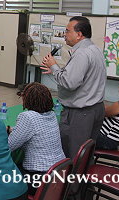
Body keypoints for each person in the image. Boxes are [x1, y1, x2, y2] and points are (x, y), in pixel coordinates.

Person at [41, 16, 106, 158]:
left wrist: (53, 65)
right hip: (95, 109)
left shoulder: (81, 54)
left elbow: (70, 83)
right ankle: (83, 177)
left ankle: (72, 180)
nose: (64, 34)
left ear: (79, 34)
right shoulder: (94, 49)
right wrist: (56, 70)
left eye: (67, 31)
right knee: (86, 153)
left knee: (74, 154)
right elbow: (80, 77)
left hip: (81, 114)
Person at [8, 82, 66, 195]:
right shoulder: (51, 115)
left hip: (40, 178)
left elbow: (9, 146)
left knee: (2, 176)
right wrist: (14, 129)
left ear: (28, 99)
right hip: (59, 173)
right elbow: (36, 130)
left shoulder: (27, 117)